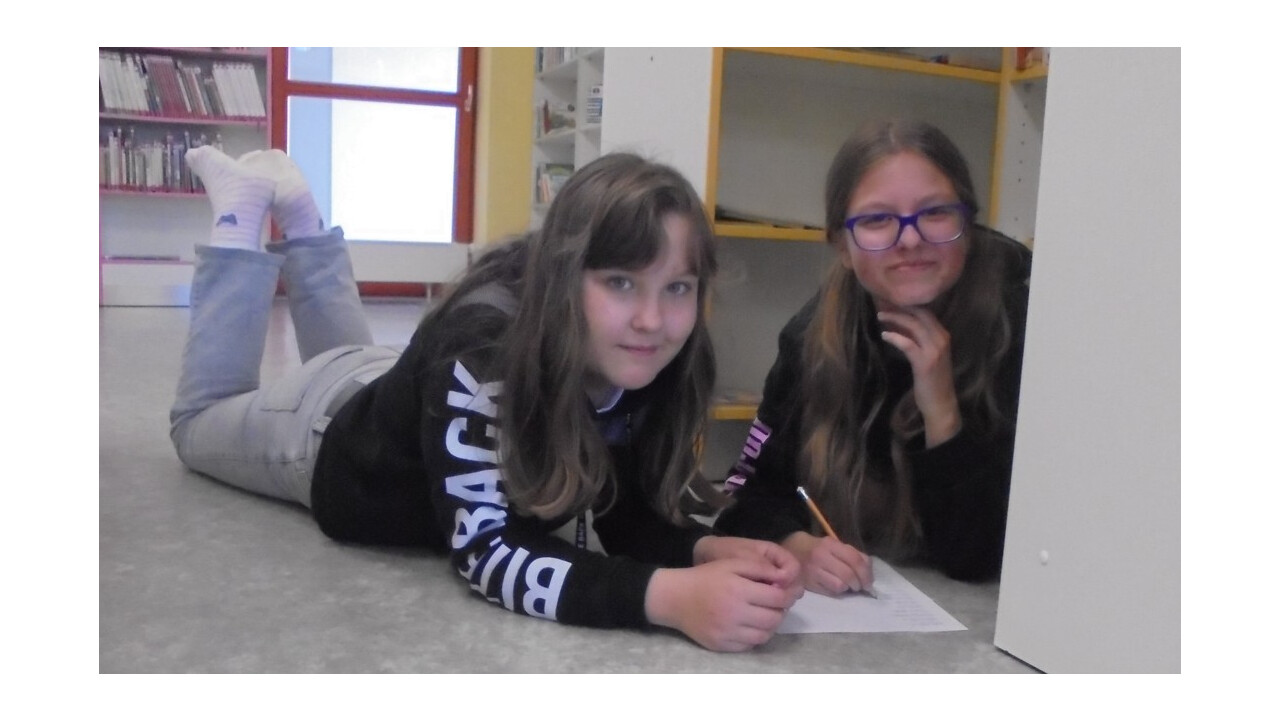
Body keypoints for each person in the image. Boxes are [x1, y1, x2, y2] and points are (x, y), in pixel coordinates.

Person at [169, 147, 802, 652]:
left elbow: (619, 506)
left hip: (411, 396)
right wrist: (666, 598)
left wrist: (697, 549)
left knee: (386, 372)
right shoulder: (480, 349)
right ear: (564, 274)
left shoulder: (642, 352)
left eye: (678, 287)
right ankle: (238, 220)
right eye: (619, 282)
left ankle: (302, 217)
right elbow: (486, 551)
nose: (651, 319)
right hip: (320, 430)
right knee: (196, 423)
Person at [713, 119, 1033, 593]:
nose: (910, 239)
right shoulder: (811, 339)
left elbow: (975, 557)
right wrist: (797, 545)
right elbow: (745, 497)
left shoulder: (1024, 330)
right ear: (842, 245)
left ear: (968, 224)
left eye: (935, 212)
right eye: (877, 220)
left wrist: (941, 410)